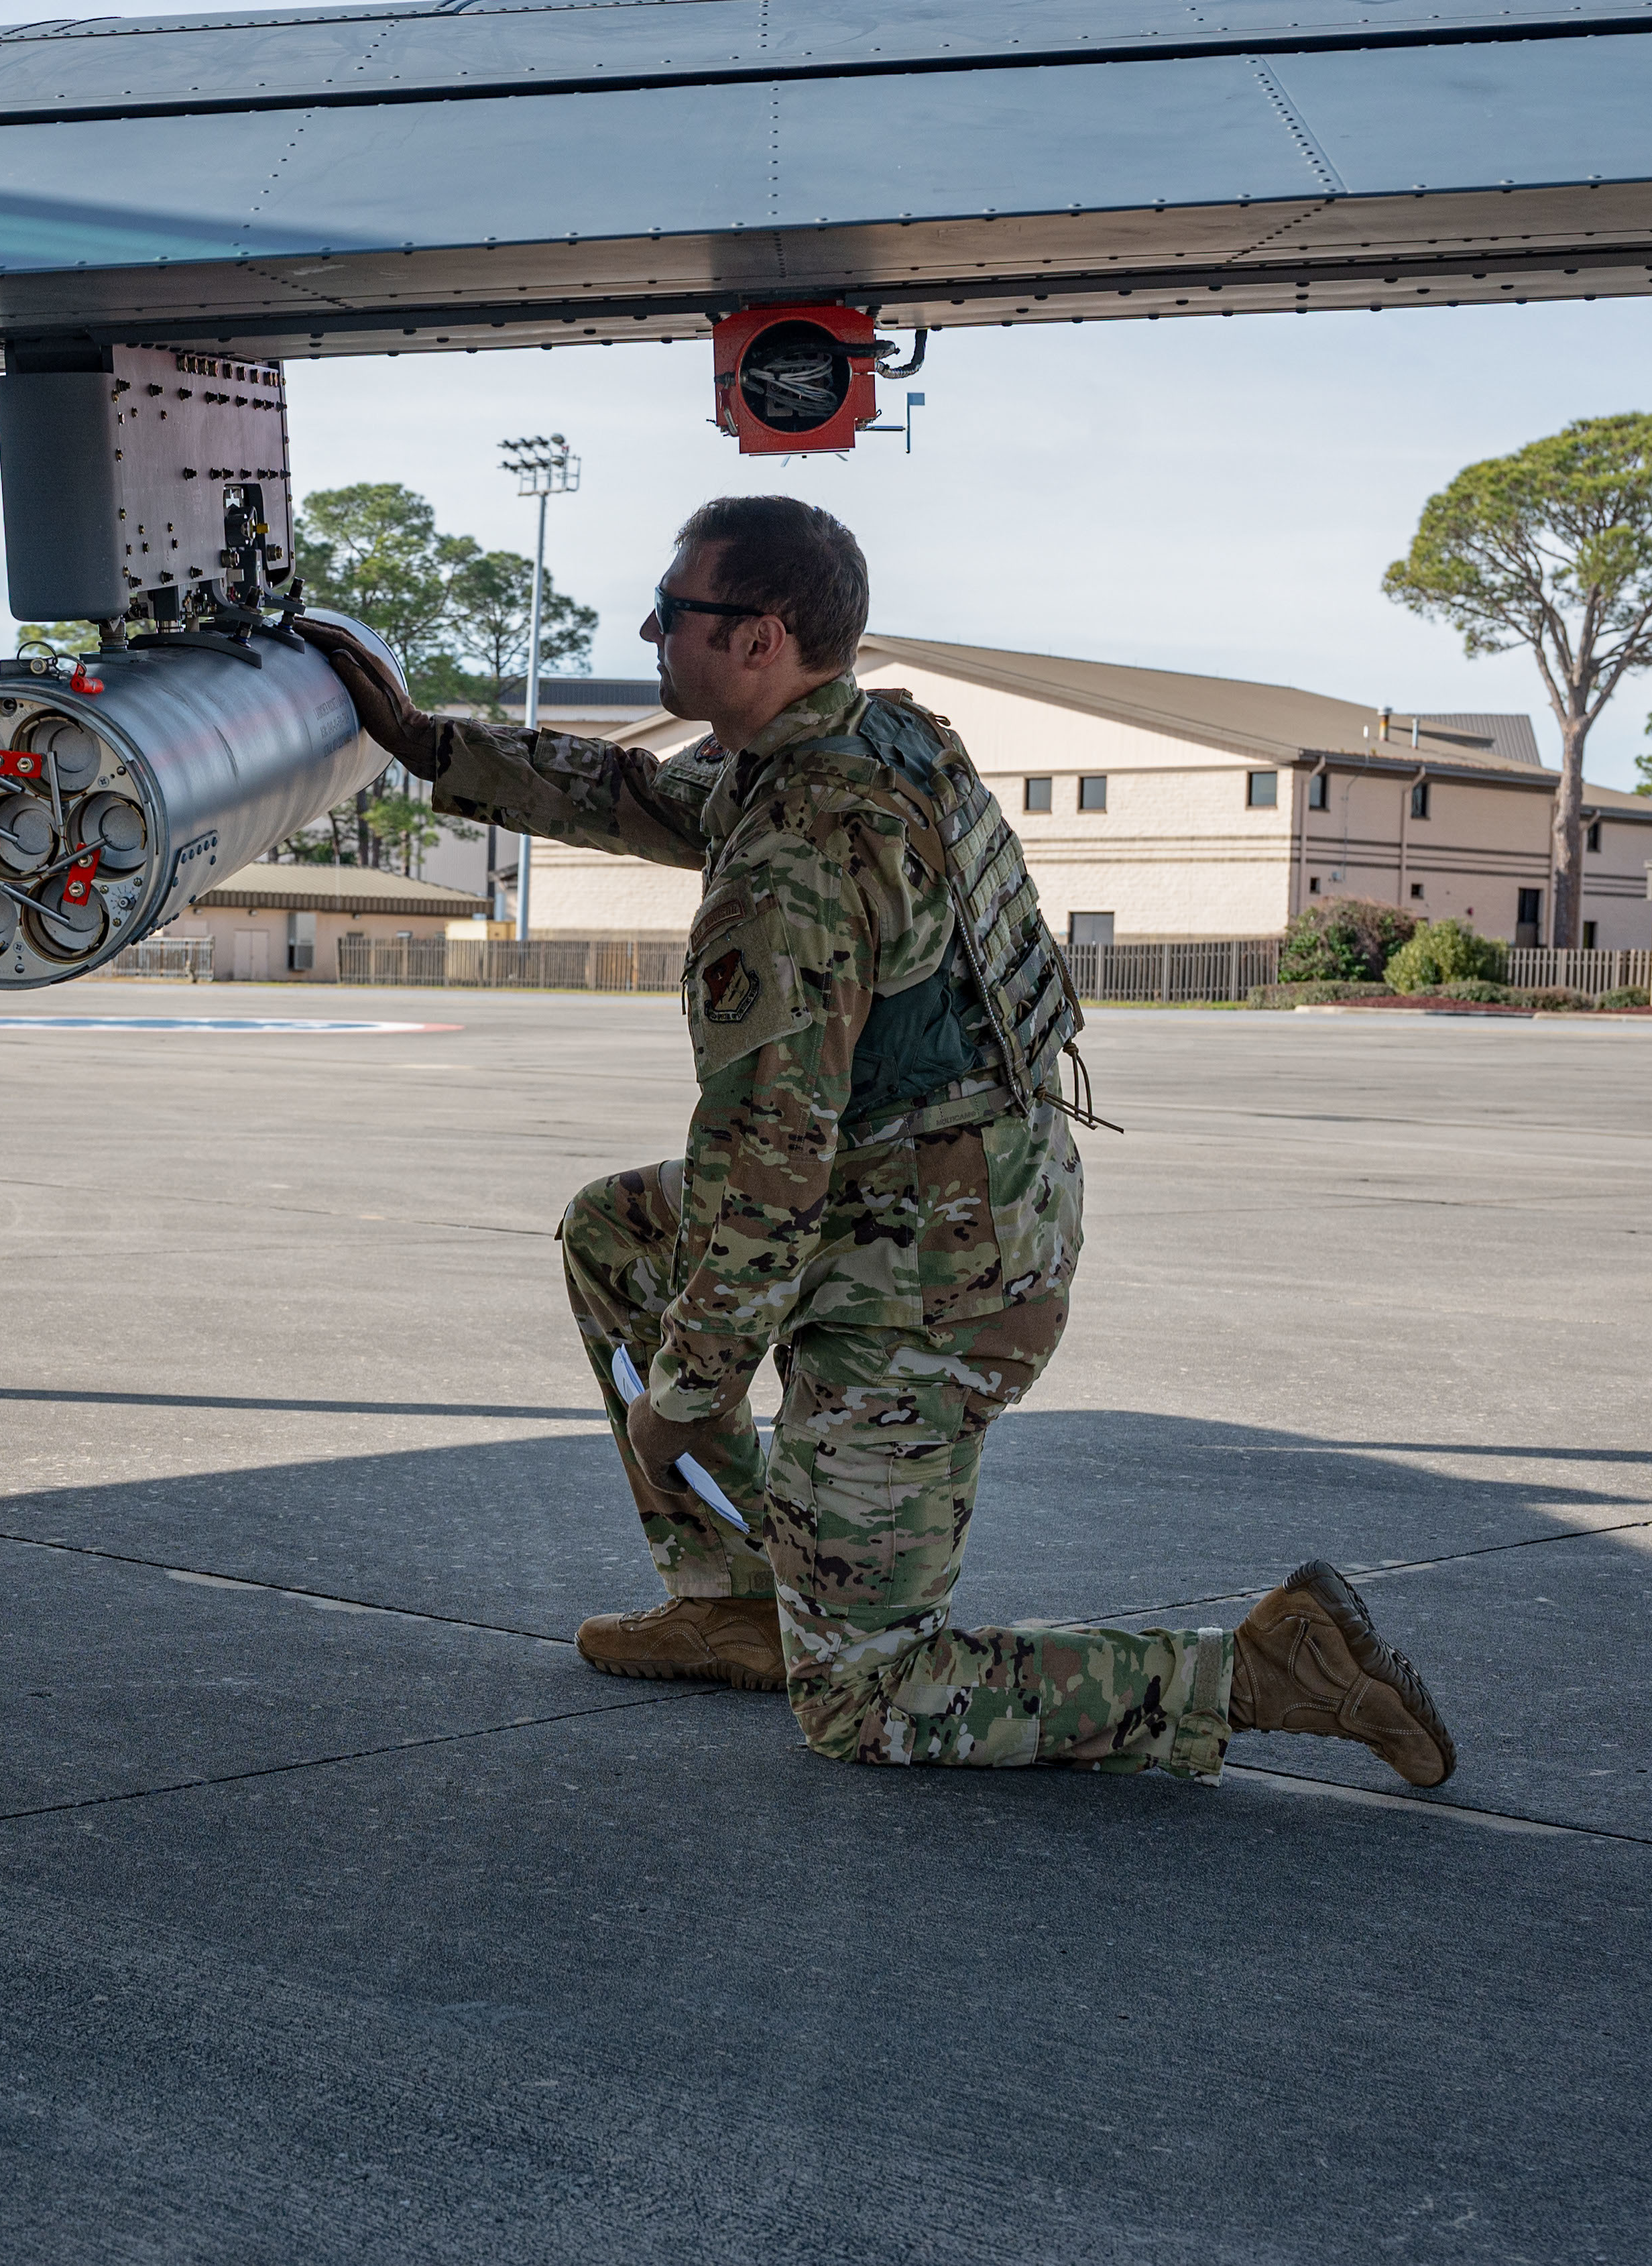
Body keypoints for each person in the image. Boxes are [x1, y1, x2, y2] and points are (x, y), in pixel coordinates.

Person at [297, 498, 1455, 1787]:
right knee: (613, 1231)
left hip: (929, 1281)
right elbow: (644, 796)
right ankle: (737, 1599)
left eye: (674, 610)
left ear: (761, 638)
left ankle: (1257, 1670)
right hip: (942, 1199)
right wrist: (423, 744)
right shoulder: (863, 738)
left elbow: (763, 1166)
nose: (648, 629)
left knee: (870, 1701)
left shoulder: (793, 855)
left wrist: (688, 1392)